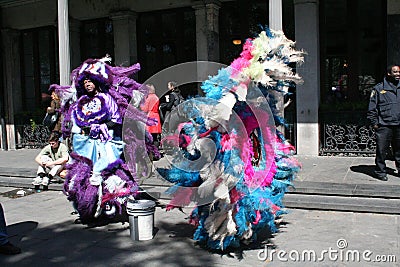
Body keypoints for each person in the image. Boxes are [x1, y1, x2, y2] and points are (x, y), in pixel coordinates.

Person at [367, 64, 400, 181]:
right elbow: (372, 109)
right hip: (384, 125)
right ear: (389, 74)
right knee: (382, 150)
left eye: (399, 72)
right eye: (395, 72)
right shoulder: (379, 89)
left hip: (398, 125)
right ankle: (380, 171)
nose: (398, 74)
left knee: (399, 150)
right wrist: (375, 123)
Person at [140, 84, 161, 158]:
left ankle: (151, 154)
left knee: (149, 137)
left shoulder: (149, 98)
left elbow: (145, 109)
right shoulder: (156, 97)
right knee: (155, 137)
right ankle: (157, 154)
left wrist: (141, 105)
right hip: (156, 116)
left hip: (150, 116)